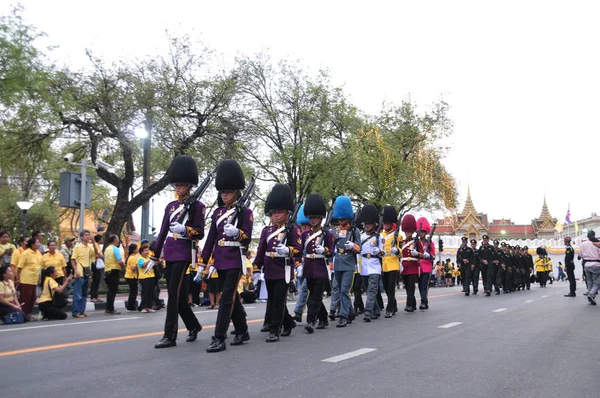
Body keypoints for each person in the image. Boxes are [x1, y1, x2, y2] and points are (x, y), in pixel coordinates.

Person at [153, 155, 205, 349]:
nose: (178, 188)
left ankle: (170, 335)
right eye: (176, 185)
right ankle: (193, 325)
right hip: (170, 253)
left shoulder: (197, 206)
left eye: (182, 185)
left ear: (190, 186)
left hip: (184, 253)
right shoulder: (171, 206)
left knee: (173, 295)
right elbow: (162, 232)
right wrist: (154, 255)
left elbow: (199, 232)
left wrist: (185, 230)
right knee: (180, 297)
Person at [201, 159, 253, 352]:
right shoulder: (217, 213)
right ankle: (242, 329)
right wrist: (202, 262)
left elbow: (247, 238)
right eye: (223, 192)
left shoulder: (245, 212)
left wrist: (237, 233)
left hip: (235, 258)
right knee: (231, 297)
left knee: (225, 298)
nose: (225, 195)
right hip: (220, 259)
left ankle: (219, 337)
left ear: (237, 192)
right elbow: (210, 239)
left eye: (229, 192)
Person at [253, 183, 301, 342]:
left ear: (287, 212)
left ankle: (275, 329)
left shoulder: (293, 229)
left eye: (280, 212)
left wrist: (288, 251)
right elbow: (260, 250)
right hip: (270, 268)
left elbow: (299, 249)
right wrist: (256, 268)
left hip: (284, 269)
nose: (276, 215)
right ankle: (288, 323)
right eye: (274, 212)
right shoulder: (267, 230)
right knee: (273, 299)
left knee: (279, 300)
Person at [300, 193, 334, 333]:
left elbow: (331, 251)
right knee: (312, 294)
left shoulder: (328, 234)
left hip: (320, 267)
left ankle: (311, 320)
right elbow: (299, 250)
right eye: (311, 217)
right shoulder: (305, 235)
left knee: (316, 296)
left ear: (321, 218)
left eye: (315, 217)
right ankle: (324, 318)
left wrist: (324, 250)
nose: (313, 220)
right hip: (308, 266)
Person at [328, 196, 360, 326]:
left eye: (343, 217)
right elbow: (330, 248)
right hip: (338, 262)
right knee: (339, 289)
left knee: (344, 290)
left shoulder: (354, 230)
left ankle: (343, 315)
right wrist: (330, 261)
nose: (341, 220)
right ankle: (350, 312)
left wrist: (353, 246)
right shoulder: (333, 231)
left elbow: (359, 248)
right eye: (339, 218)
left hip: (349, 263)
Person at [359, 204, 383, 322]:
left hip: (374, 265)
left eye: (370, 223)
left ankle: (368, 311)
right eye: (366, 223)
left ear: (374, 224)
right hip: (364, 265)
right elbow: (358, 250)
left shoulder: (379, 237)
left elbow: (383, 252)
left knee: (372, 289)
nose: (368, 225)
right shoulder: (361, 236)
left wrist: (379, 251)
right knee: (367, 288)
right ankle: (376, 309)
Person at [379, 205, 401, 318]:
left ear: (392, 223)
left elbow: (400, 249)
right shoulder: (380, 235)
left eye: (388, 223)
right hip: (383, 263)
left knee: (391, 286)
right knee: (386, 287)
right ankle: (394, 304)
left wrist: (397, 250)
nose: (386, 224)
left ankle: (390, 308)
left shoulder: (398, 236)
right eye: (385, 223)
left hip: (393, 263)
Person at [16, 237, 43, 320]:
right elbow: (19, 267)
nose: (39, 244)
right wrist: (18, 279)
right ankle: (23, 315)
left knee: (32, 299)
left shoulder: (38, 253)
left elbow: (38, 266)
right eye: (37, 242)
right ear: (32, 244)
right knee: (25, 299)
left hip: (34, 279)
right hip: (26, 279)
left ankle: (28, 314)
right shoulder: (26, 253)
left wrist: (39, 277)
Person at [293, 204, 311, 323]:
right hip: (301, 265)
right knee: (307, 292)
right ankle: (320, 313)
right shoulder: (299, 235)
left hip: (312, 266)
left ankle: (298, 312)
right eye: (302, 225)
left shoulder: (314, 235)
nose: (304, 227)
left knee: (305, 289)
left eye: (306, 225)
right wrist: (298, 264)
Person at [71, 230, 95, 318]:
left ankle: (82, 311)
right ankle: (76, 311)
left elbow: (97, 254)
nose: (88, 237)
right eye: (86, 235)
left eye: (89, 235)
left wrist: (93, 242)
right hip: (80, 272)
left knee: (85, 293)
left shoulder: (90, 248)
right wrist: (76, 270)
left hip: (87, 272)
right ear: (81, 237)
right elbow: (73, 260)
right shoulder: (77, 247)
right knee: (78, 293)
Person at [400, 214, 419, 312]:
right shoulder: (402, 242)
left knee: (411, 286)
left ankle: (409, 305)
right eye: (406, 231)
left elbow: (422, 254)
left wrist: (416, 253)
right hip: (404, 267)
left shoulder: (416, 241)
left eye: (409, 231)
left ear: (412, 231)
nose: (407, 233)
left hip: (413, 266)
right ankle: (414, 303)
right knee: (407, 287)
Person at [103, 234, 124, 315]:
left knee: (110, 291)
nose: (118, 241)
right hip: (114, 271)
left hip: (107, 271)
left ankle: (109, 308)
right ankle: (110, 309)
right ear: (115, 240)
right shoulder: (115, 249)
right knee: (113, 291)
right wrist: (123, 266)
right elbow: (119, 261)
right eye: (118, 239)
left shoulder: (107, 249)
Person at [579, 230, 600, 305]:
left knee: (589, 281)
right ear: (594, 235)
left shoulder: (582, 244)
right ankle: (591, 294)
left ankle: (591, 296)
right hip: (596, 264)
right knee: (597, 282)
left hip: (586, 264)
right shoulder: (597, 243)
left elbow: (580, 255)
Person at [137, 244, 156, 313]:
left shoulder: (148, 257)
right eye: (145, 250)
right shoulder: (140, 258)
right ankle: (143, 307)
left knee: (151, 293)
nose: (147, 252)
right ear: (141, 252)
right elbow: (143, 265)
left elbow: (155, 264)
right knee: (145, 293)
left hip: (151, 276)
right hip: (144, 278)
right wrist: (150, 260)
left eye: (148, 250)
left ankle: (149, 307)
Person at [90, 234, 104, 303]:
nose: (102, 240)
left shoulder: (97, 245)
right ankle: (93, 296)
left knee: (97, 280)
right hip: (95, 264)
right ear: (99, 239)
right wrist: (101, 256)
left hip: (97, 264)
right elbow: (98, 254)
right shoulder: (95, 245)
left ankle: (96, 296)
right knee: (95, 281)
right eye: (102, 239)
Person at [125, 243, 139, 311]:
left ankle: (130, 305)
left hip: (129, 276)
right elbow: (133, 268)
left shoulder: (131, 256)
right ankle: (131, 306)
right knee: (134, 292)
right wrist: (138, 266)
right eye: (136, 248)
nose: (138, 249)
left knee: (132, 291)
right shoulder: (133, 258)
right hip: (132, 276)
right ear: (134, 250)